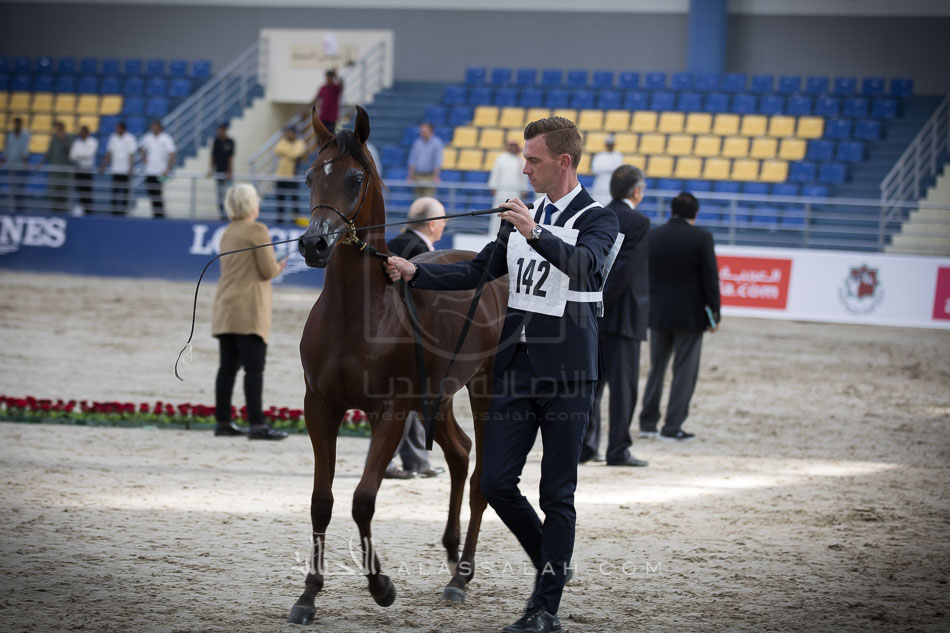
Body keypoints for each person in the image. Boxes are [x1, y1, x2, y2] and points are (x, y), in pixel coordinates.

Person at [385, 116, 619, 633]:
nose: (525, 168)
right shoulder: (522, 214)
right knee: (494, 481)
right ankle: (551, 561)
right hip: (516, 366)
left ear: (563, 161)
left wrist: (533, 232)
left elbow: (585, 267)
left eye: (534, 160)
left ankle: (544, 608)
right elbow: (479, 270)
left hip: (569, 374)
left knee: (557, 492)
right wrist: (417, 272)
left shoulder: (598, 219)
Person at [581, 165, 651, 467]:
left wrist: (594, 304)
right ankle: (618, 449)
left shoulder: (596, 214)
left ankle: (587, 446)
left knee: (593, 385)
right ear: (636, 191)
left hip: (593, 314)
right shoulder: (640, 221)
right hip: (623, 316)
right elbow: (625, 270)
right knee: (623, 388)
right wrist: (604, 302)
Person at [638, 192, 721, 442]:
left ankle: (647, 423)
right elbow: (710, 279)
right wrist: (714, 313)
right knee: (684, 371)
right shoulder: (702, 238)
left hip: (658, 312)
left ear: (671, 211)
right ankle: (672, 427)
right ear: (695, 214)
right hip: (690, 316)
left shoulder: (653, 235)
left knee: (656, 369)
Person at [211, 183, 289, 441]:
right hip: (249, 306)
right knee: (254, 369)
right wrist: (279, 266)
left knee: (227, 368)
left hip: (226, 305)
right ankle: (257, 425)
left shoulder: (228, 231)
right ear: (251, 204)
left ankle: (223, 421)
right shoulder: (257, 230)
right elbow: (267, 270)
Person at [381, 197, 448, 479]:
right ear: (432, 224)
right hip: (412, 334)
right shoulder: (422, 252)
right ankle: (384, 461)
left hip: (389, 331)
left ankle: (417, 460)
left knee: (409, 399)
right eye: (442, 220)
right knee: (405, 399)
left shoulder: (393, 243)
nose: (444, 225)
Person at [487, 137, 529, 235]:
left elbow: (523, 177)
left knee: (514, 213)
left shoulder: (520, 161)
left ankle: (510, 234)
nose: (512, 147)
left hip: (515, 193)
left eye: (514, 145)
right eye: (510, 145)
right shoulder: (501, 158)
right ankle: (493, 233)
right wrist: (493, 186)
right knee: (498, 212)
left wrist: (524, 189)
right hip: (501, 191)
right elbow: (495, 173)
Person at [139, 120, 176, 218]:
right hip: (150, 171)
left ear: (160, 128)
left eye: (155, 127)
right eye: (153, 127)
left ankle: (160, 213)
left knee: (159, 192)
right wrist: (144, 159)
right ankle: (155, 213)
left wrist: (168, 168)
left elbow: (172, 154)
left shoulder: (166, 139)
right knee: (151, 192)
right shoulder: (148, 138)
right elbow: (142, 148)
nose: (154, 129)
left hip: (162, 172)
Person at [101, 120, 137, 215]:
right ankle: (114, 211)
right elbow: (109, 153)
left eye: (118, 128)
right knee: (115, 191)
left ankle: (124, 211)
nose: (116, 129)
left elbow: (131, 154)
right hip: (116, 169)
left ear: (123, 128)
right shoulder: (113, 138)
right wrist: (104, 166)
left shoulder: (130, 139)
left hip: (125, 170)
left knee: (125, 192)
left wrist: (131, 167)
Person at [273, 125, 307, 223]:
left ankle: (295, 219)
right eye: (287, 132)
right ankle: (280, 219)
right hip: (281, 176)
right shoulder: (283, 141)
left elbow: (296, 154)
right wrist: (291, 150)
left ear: (294, 133)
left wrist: (286, 152)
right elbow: (277, 149)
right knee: (280, 198)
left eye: (290, 132)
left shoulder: (300, 142)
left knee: (294, 199)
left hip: (293, 176)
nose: (288, 134)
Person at [43, 121, 73, 213]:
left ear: (62, 128)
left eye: (59, 127)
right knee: (54, 191)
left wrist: (63, 140)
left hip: (64, 171)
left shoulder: (69, 138)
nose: (57, 129)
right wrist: (41, 163)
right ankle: (54, 210)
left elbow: (71, 151)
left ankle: (65, 211)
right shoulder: (53, 138)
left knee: (64, 191)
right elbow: (49, 152)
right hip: (54, 170)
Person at [2, 117, 31, 211]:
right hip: (11, 166)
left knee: (20, 189)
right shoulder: (10, 136)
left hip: (20, 167)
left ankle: (20, 209)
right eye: (15, 124)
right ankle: (13, 209)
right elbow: (7, 150)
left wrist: (26, 163)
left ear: (21, 125)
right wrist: (3, 160)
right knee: (13, 189)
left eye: (18, 124)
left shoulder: (25, 135)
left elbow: (25, 150)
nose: (16, 125)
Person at [406, 122, 443, 196]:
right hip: (417, 176)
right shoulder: (417, 143)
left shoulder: (437, 143)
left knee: (428, 199)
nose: (422, 133)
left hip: (430, 177)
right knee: (417, 199)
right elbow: (413, 160)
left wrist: (436, 176)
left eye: (424, 131)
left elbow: (438, 161)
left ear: (431, 131)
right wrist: (411, 175)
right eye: (421, 131)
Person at [69, 125, 98, 214]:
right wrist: (82, 156)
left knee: (87, 191)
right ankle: (82, 208)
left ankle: (89, 210)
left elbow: (89, 155)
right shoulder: (77, 142)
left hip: (87, 170)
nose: (81, 133)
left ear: (87, 132)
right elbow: (72, 156)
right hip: (78, 170)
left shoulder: (93, 142)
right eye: (80, 132)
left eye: (82, 132)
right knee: (80, 190)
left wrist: (79, 156)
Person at [208, 123, 234, 219]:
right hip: (218, 172)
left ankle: (230, 214)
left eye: (221, 130)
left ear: (224, 131)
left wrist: (229, 171)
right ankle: (222, 215)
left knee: (229, 194)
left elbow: (230, 158)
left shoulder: (230, 142)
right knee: (220, 195)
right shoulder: (216, 142)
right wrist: (211, 170)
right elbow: (213, 156)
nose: (219, 132)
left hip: (227, 173)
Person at [590, 135, 623, 206]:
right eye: (608, 144)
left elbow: (618, 168)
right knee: (599, 200)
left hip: (612, 181)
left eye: (611, 145)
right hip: (601, 182)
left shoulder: (617, 155)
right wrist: (609, 169)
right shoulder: (599, 156)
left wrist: (605, 168)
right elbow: (595, 169)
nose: (610, 146)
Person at [312, 69, 343, 133]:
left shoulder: (336, 88)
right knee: (320, 134)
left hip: (332, 118)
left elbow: (341, 85)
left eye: (330, 78)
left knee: (331, 135)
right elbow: (316, 98)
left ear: (332, 78)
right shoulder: (323, 88)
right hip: (323, 117)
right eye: (327, 78)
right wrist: (307, 107)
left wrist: (336, 76)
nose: (328, 79)